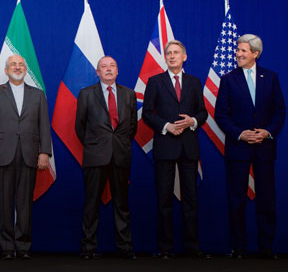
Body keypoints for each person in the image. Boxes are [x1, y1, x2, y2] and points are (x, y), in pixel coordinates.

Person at [215, 34, 286, 259]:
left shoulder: (271, 78)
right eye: (238, 50)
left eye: (243, 50)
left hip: (264, 147)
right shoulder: (228, 79)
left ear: (255, 53)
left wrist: (267, 132)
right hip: (239, 148)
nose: (238, 54)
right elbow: (221, 114)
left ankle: (266, 247)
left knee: (266, 198)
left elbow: (280, 111)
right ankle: (238, 247)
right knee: (236, 199)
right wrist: (240, 134)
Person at [0, 54, 52, 260]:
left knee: (25, 204)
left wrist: (44, 152)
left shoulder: (38, 94)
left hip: (30, 155)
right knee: (3, 203)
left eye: (21, 64)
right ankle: (6, 247)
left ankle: (23, 246)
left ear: (26, 69)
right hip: (1, 154)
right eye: (13, 64)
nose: (18, 67)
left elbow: (44, 126)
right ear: (6, 70)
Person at [142, 40, 207, 259]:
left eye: (176, 53)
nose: (171, 56)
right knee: (164, 200)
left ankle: (192, 247)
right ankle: (165, 248)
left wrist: (192, 121)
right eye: (168, 53)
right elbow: (147, 113)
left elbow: (202, 112)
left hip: (189, 147)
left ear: (184, 57)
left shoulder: (194, 82)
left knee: (191, 200)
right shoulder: (155, 82)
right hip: (165, 146)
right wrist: (166, 126)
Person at [75, 56, 137, 260]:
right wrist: (95, 145)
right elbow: (80, 127)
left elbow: (132, 127)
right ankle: (88, 248)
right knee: (91, 204)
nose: (108, 69)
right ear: (97, 72)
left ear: (117, 71)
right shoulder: (86, 94)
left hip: (120, 155)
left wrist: (118, 144)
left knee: (122, 204)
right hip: (95, 155)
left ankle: (125, 247)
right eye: (104, 66)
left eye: (112, 66)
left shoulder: (129, 94)